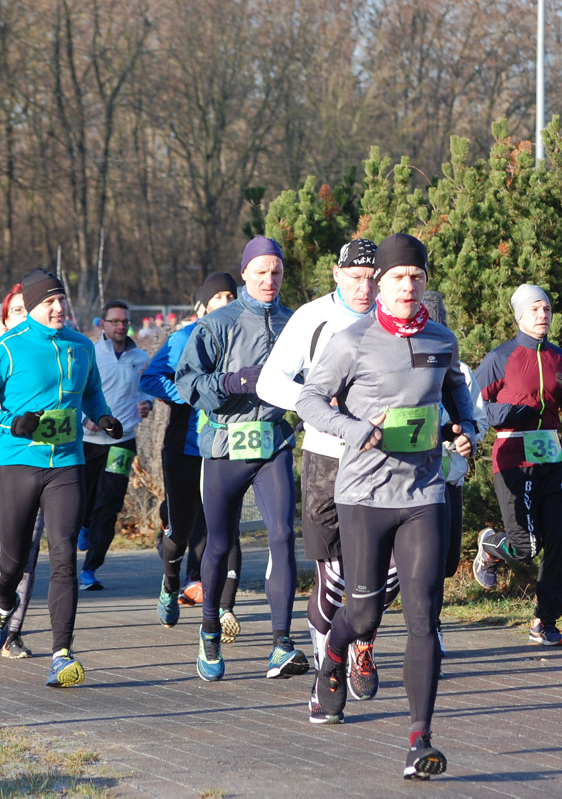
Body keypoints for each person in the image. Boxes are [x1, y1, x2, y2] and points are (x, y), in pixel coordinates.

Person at [296, 232, 477, 780]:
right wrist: (354, 430)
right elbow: (308, 398)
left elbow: (454, 392)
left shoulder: (441, 338)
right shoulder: (352, 339)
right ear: (379, 283)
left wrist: (463, 429)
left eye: (415, 277)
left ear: (424, 283)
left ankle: (419, 740)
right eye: (397, 277)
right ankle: (332, 659)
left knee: (424, 616)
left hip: (424, 494)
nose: (407, 286)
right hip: (364, 495)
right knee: (364, 613)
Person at [257, 238, 398, 713]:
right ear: (336, 275)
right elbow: (269, 381)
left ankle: (360, 644)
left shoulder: (395, 318)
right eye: (355, 278)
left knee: (385, 568)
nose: (365, 288)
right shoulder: (312, 318)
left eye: (372, 279)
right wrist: (316, 404)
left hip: (383, 460)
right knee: (333, 574)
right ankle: (327, 667)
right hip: (327, 458)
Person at [0, 269, 119, 687]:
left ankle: (61, 653)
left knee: (64, 555)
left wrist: (101, 417)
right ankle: (2, 605)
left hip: (67, 464)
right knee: (12, 563)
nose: (58, 306)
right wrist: (11, 422)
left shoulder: (82, 346)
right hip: (18, 467)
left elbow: (91, 392)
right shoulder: (8, 348)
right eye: (49, 301)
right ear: (31, 306)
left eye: (61, 299)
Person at [174, 236, 308, 682]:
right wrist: (233, 382)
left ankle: (281, 643)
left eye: (277, 273)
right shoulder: (219, 322)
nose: (270, 280)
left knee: (283, 535)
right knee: (218, 542)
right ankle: (210, 627)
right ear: (246, 272)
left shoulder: (295, 323)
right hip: (226, 445)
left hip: (273, 443)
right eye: (261, 272)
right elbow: (187, 383)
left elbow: (317, 379)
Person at [471, 284, 562, 646]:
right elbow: (470, 404)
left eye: (547, 309)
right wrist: (507, 412)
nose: (543, 315)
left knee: (559, 537)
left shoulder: (560, 357)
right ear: (520, 316)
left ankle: (545, 622)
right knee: (526, 547)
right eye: (535, 309)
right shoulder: (501, 357)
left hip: (553, 456)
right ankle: (492, 545)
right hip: (513, 456)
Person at [141, 273, 244, 632]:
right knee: (181, 529)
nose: (227, 301)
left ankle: (223, 612)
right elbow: (150, 379)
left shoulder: (244, 338)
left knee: (226, 527)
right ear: (202, 306)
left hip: (228, 445)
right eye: (218, 297)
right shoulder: (182, 338)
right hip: (184, 447)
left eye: (231, 295)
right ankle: (171, 583)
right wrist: (190, 392)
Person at [0, 290, 46, 659]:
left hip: (37, 465)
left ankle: (11, 631)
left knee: (27, 554)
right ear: (4, 319)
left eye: (26, 310)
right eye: (15, 311)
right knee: (5, 552)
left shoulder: (53, 352)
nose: (22, 316)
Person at [418, 291, 488, 662]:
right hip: (408, 482)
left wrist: (470, 440)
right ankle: (426, 632)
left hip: (448, 479)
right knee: (416, 564)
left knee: (444, 563)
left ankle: (432, 625)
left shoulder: (461, 371)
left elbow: (479, 419)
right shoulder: (400, 363)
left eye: (437, 321)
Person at [76, 300, 153, 590]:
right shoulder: (90, 354)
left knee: (109, 504)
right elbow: (75, 392)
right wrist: (86, 420)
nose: (121, 326)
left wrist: (147, 406)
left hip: (122, 440)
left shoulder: (140, 357)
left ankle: (90, 569)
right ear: (103, 325)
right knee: (83, 499)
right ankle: (83, 525)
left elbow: (145, 390)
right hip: (88, 441)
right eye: (115, 321)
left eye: (125, 322)